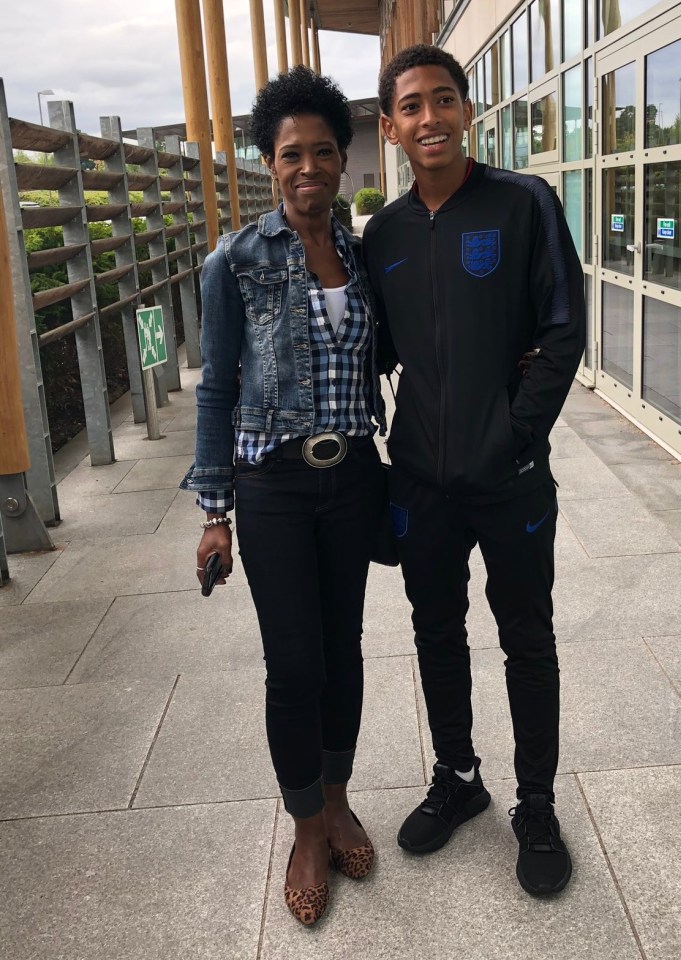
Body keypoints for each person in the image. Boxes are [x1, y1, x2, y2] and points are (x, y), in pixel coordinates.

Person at [363, 45, 585, 896]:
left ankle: (535, 803)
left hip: (511, 477)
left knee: (527, 637)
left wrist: (515, 435)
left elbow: (563, 329)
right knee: (434, 630)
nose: (430, 118)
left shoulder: (523, 203)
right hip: (420, 478)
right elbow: (376, 348)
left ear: (467, 111)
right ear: (389, 128)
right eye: (412, 106)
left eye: (444, 100)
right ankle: (457, 778)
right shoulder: (382, 233)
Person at [181, 66, 386, 926]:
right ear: (269, 163)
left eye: (323, 152)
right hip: (271, 485)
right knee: (293, 662)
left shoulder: (363, 252)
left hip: (353, 480)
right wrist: (214, 513)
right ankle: (306, 825)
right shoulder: (233, 260)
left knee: (344, 649)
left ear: (342, 161)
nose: (308, 167)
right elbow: (215, 389)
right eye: (290, 154)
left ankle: (336, 796)